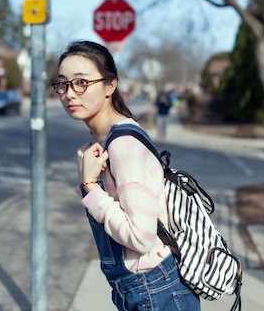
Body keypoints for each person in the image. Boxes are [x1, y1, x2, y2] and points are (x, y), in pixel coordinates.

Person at [51, 40, 200, 311]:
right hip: (144, 288)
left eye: (81, 82)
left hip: (155, 291)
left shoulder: (123, 146)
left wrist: (89, 186)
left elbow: (140, 237)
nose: (70, 93)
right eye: (62, 83)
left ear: (110, 86)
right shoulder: (110, 139)